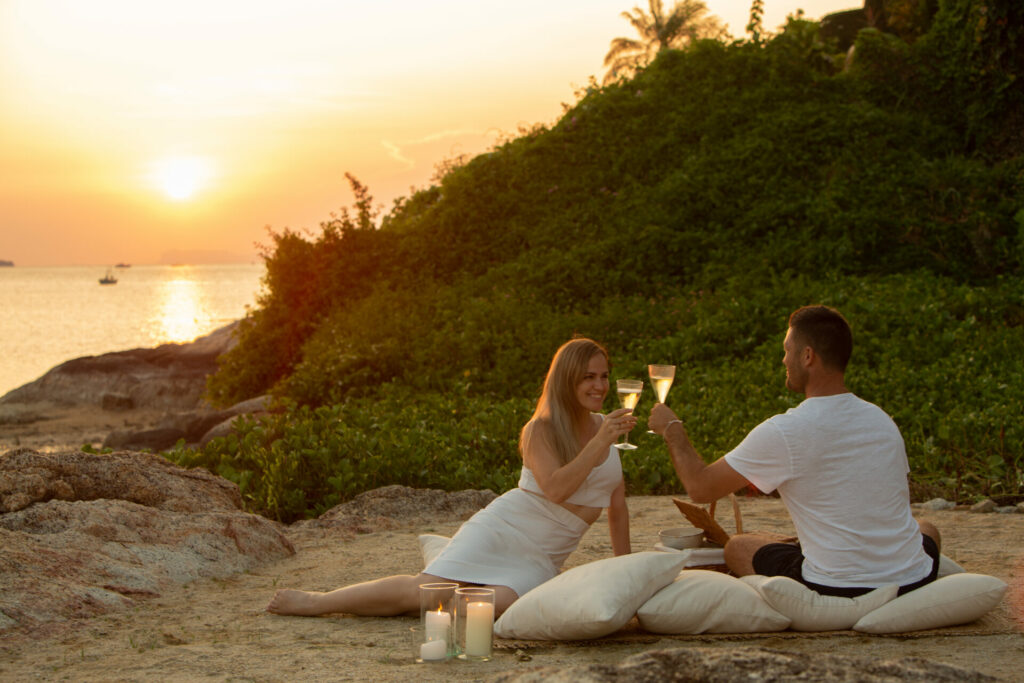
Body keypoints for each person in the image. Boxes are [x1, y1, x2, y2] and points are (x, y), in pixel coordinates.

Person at [267, 337, 634, 618]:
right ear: (567, 380)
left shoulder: (608, 430)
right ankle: (319, 601)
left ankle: (446, 563)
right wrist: (600, 442)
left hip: (541, 556)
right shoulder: (541, 430)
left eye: (603, 376)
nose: (600, 386)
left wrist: (627, 572)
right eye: (588, 377)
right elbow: (555, 488)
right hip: (506, 527)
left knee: (497, 605)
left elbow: (617, 508)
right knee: (424, 593)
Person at [648, 305, 941, 597]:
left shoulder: (786, 431)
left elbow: (701, 488)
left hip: (838, 585)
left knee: (737, 547)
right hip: (915, 578)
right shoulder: (882, 419)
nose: (784, 359)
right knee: (926, 527)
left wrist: (672, 429)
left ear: (808, 356)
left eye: (787, 350)